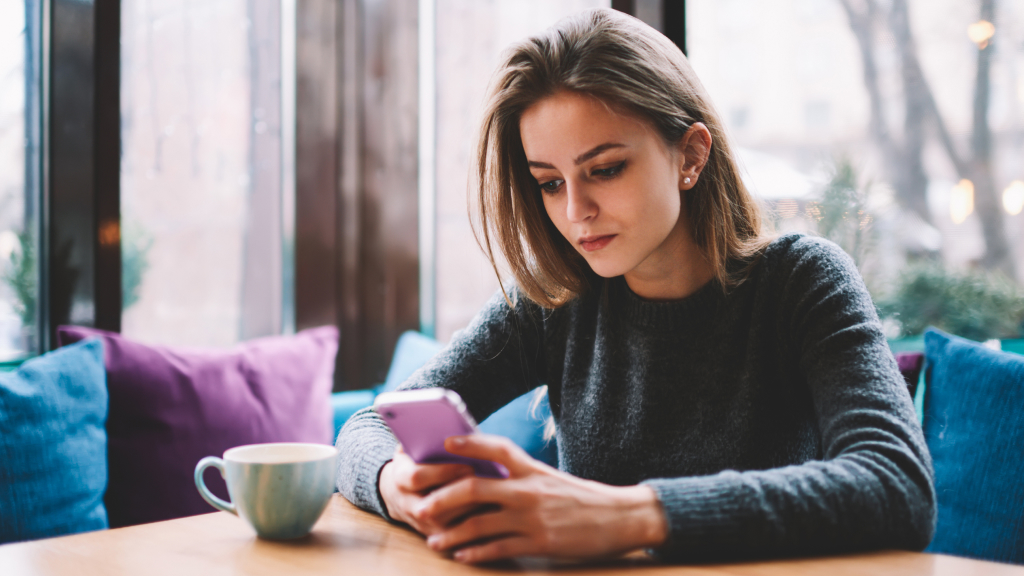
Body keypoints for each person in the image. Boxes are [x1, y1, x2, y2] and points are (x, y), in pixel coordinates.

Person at [335, 7, 935, 564]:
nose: (575, 212)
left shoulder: (801, 281)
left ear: (690, 157)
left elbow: (897, 486)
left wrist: (627, 514)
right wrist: (400, 486)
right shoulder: (551, 301)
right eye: (549, 183)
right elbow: (367, 429)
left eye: (605, 170)